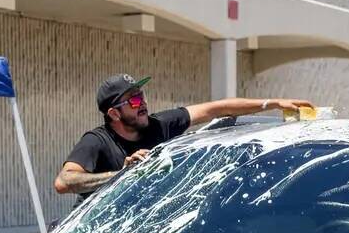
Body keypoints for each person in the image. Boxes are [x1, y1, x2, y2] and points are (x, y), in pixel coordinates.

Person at [54, 73, 312, 201]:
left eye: (141, 96)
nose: (142, 102)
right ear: (114, 113)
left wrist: (274, 102)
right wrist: (122, 174)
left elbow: (216, 108)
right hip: (99, 232)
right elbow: (64, 182)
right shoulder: (97, 140)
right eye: (133, 100)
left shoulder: (159, 125)